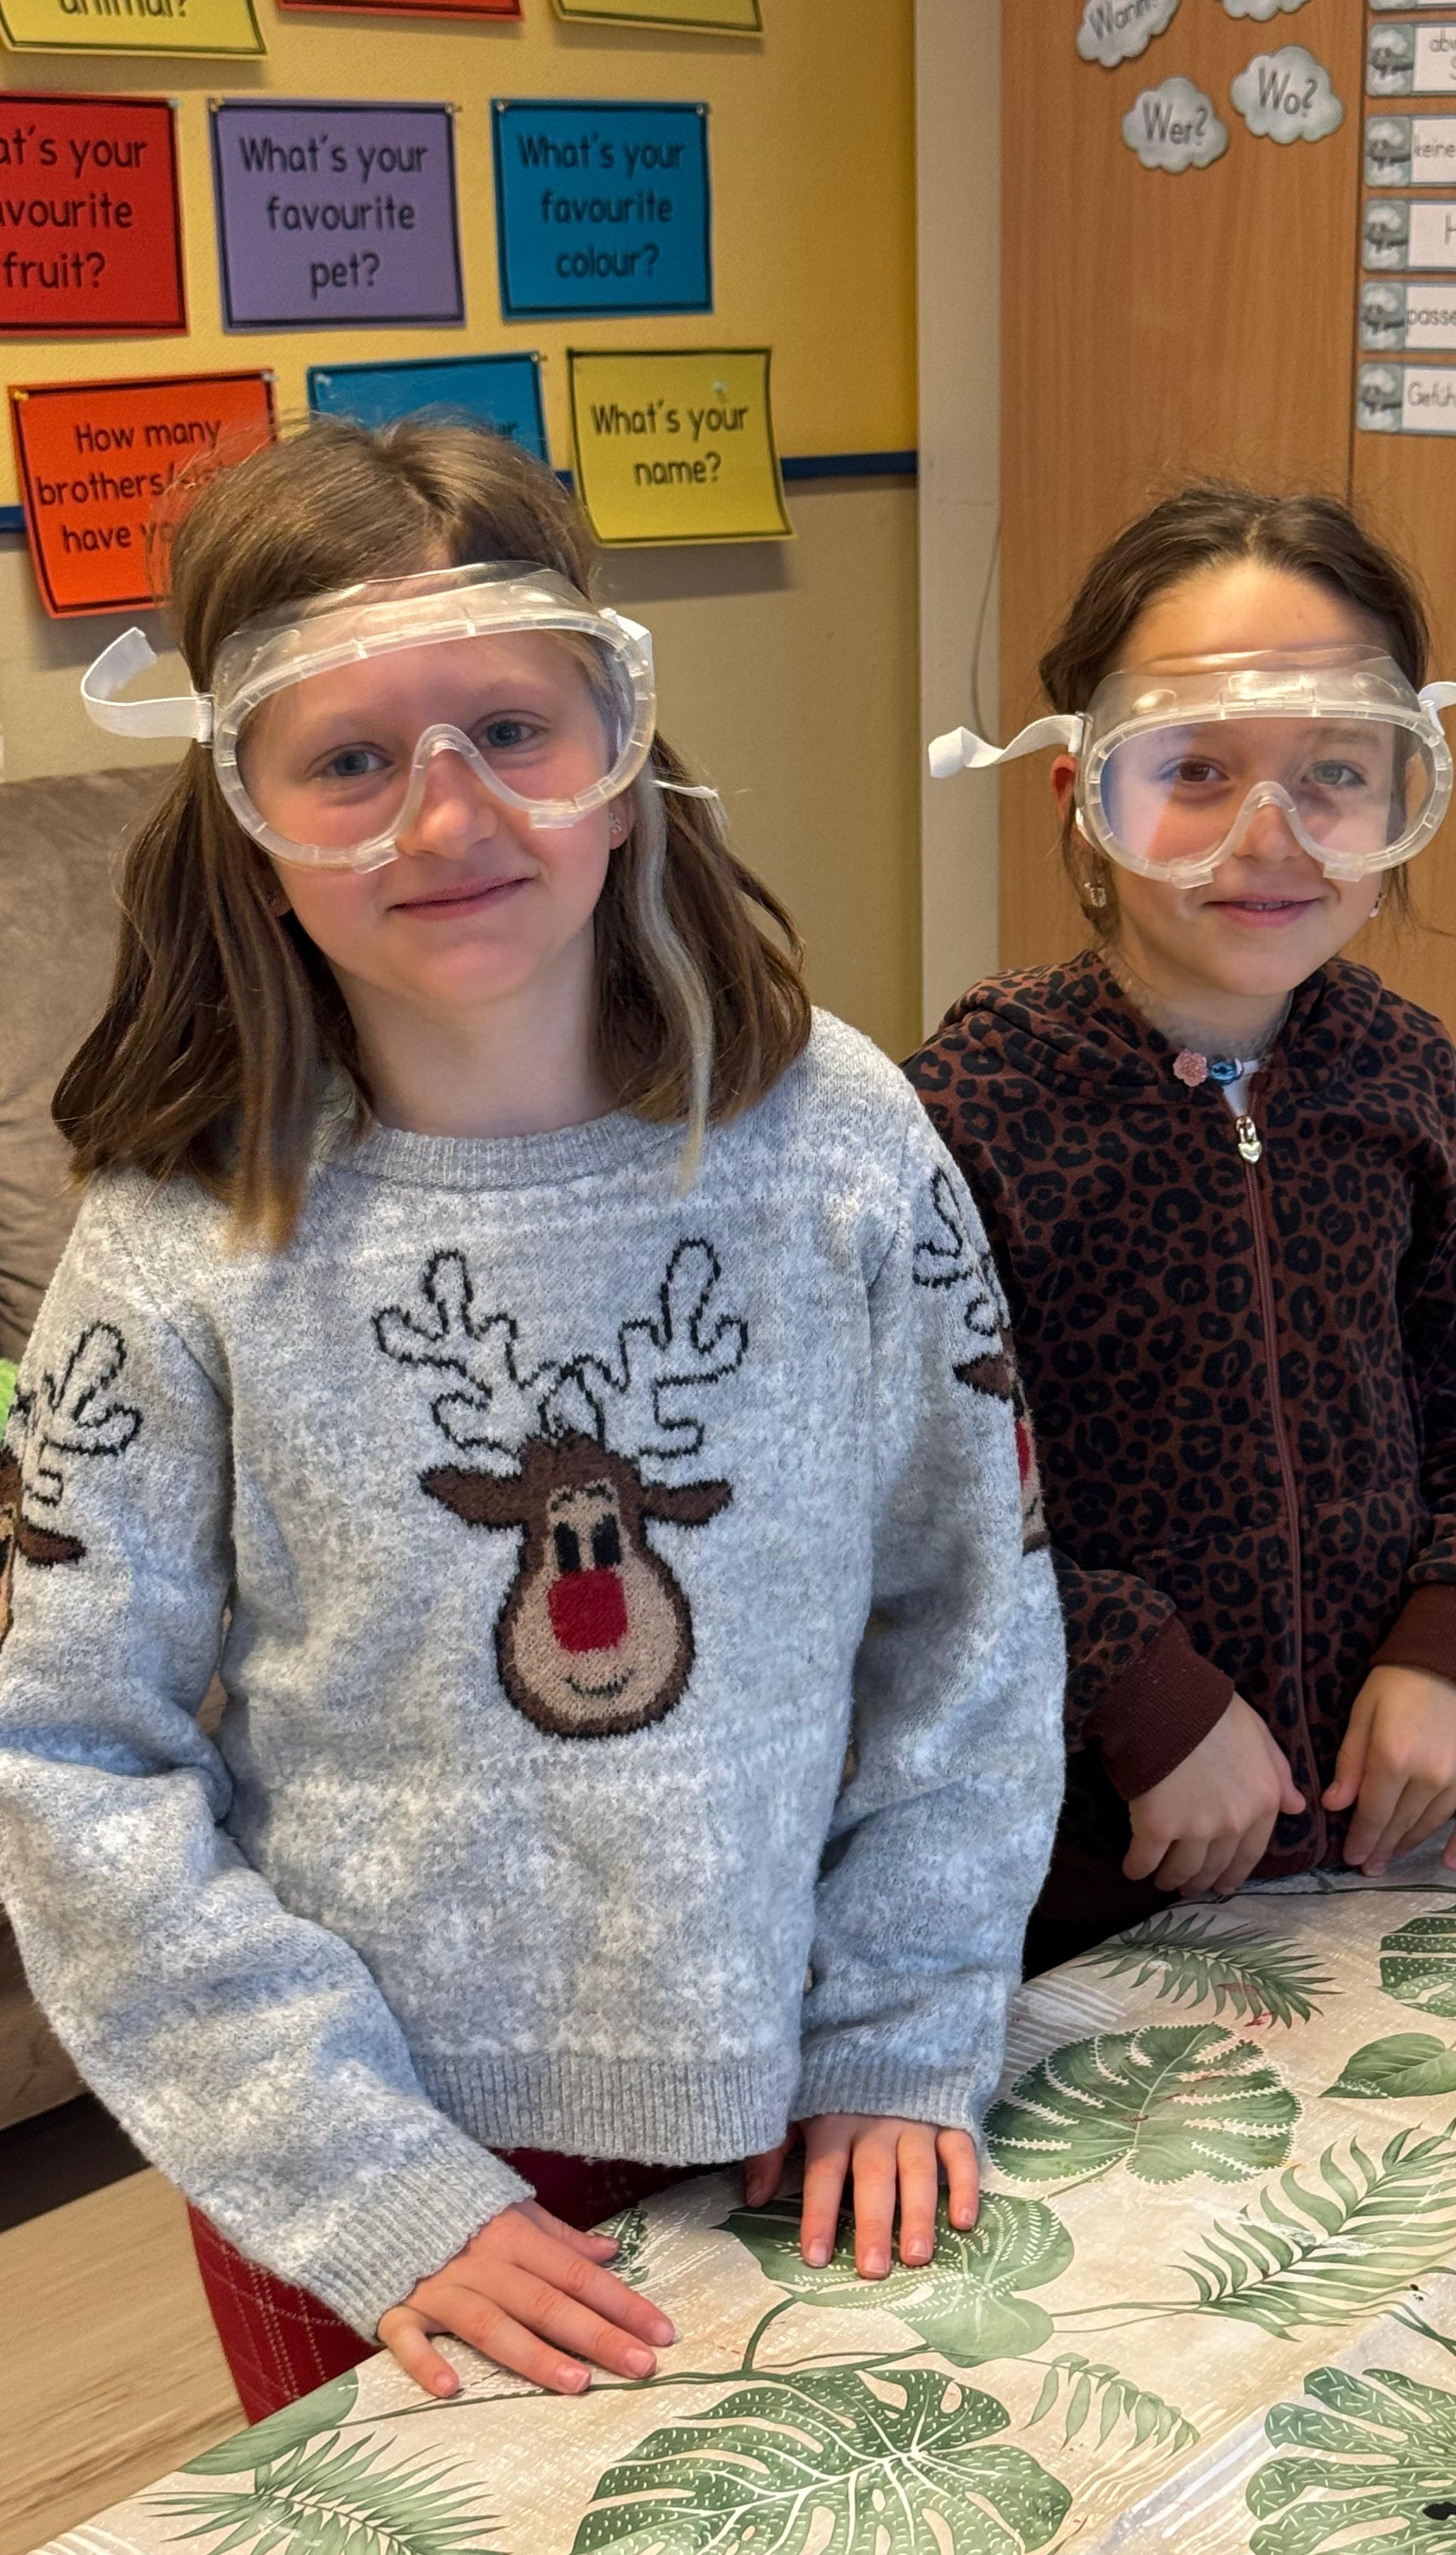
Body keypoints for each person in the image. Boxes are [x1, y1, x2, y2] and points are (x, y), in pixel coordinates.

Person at [0, 420, 1063, 2421]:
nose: (448, 814)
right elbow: (70, 1755)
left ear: (622, 754)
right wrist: (365, 2181)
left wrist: (903, 2021)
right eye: (349, 761)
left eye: (511, 728)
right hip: (381, 2183)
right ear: (244, 816)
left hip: (816, 2112)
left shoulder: (841, 1142)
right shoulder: (180, 1240)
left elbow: (971, 1612)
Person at [908, 481, 1456, 1975]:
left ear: (1404, 795)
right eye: (1196, 771)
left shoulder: (1405, 1079)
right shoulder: (970, 1118)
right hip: (1080, 1877)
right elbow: (917, 1515)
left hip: (1384, 1843)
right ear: (1084, 798)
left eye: (1335, 774)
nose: (1272, 836)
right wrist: (1129, 1685)